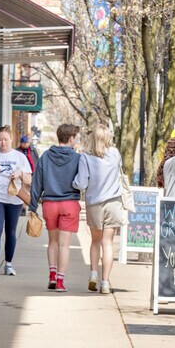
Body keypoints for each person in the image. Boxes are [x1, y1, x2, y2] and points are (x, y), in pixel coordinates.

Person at [73, 124, 127, 294]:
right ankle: (105, 283)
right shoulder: (115, 154)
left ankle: (93, 275)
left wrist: (73, 184)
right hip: (113, 203)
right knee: (108, 243)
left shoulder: (86, 157)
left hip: (94, 203)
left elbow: (81, 183)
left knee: (95, 241)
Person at [29, 124, 81, 292]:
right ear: (71, 138)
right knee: (64, 245)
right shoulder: (77, 158)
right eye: (75, 138)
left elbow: (37, 182)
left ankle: (51, 275)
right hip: (69, 203)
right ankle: (60, 282)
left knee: (52, 242)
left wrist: (33, 204)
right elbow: (83, 181)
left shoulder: (45, 157)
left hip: (50, 204)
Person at [0, 125, 32, 276]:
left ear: (11, 139)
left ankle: (8, 264)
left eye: (6, 139)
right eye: (0, 140)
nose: (3, 142)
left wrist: (20, 173)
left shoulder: (19, 157)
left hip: (14, 198)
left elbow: (29, 180)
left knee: (10, 232)